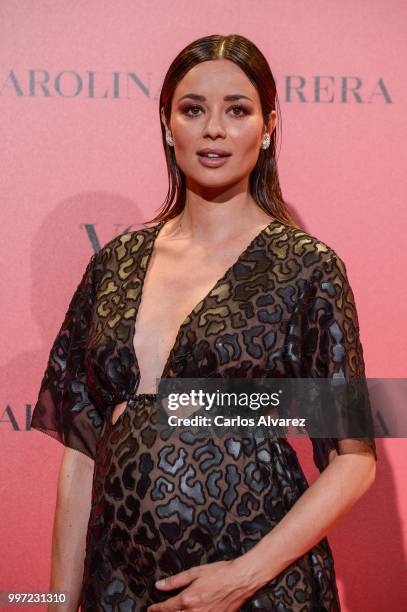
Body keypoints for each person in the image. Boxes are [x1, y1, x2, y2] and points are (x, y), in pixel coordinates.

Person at [31, 34, 377, 612]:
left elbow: (353, 458)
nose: (213, 128)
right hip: (117, 587)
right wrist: (57, 602)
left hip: (257, 589)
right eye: (193, 109)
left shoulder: (306, 268)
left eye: (237, 110)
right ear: (168, 124)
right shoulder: (113, 264)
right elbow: (83, 449)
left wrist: (241, 578)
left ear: (268, 126)